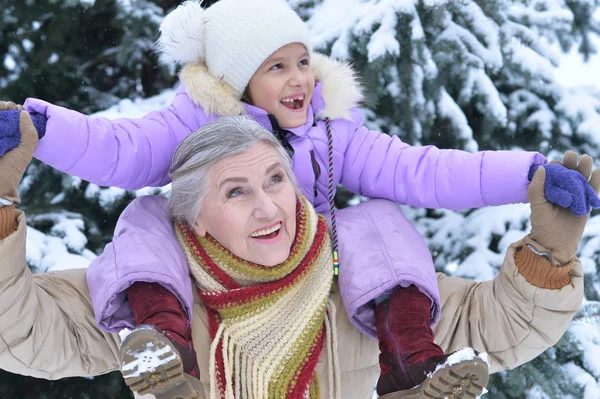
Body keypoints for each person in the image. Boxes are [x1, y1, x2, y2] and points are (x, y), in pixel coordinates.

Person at [0, 0, 597, 396]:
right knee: (147, 220)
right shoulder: (189, 130)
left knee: (375, 224)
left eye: (303, 62)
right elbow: (117, 150)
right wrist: (40, 130)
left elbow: (427, 172)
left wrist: (534, 191)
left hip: (324, 264)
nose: (299, 79)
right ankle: (167, 346)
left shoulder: (334, 131)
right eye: (277, 66)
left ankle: (412, 358)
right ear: (235, 81)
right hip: (174, 297)